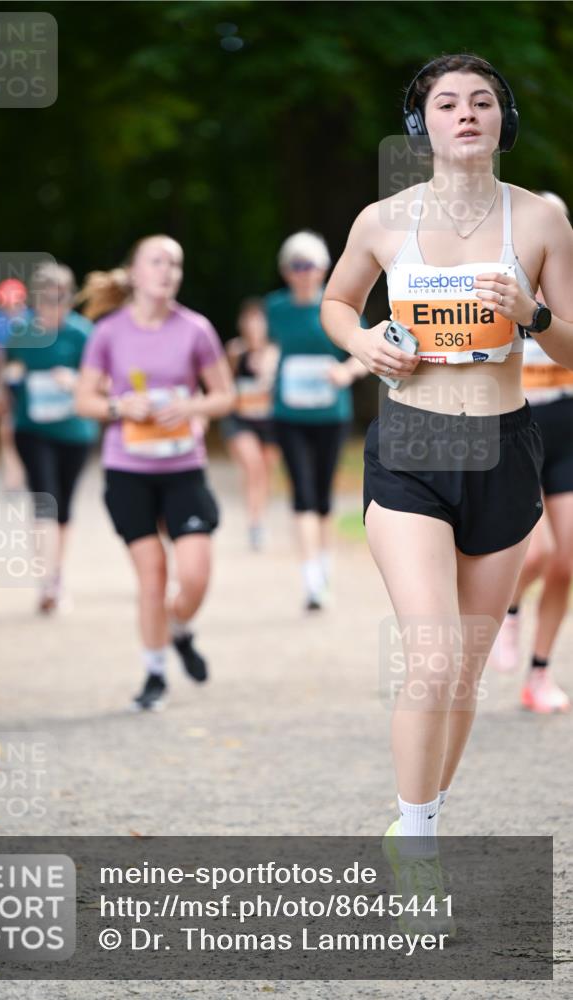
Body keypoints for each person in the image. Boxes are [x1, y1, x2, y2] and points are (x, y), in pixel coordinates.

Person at [320, 54, 572, 921]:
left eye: (481, 102)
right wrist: (363, 345)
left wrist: (531, 319)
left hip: (503, 449)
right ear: (419, 123)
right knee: (429, 654)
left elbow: (572, 346)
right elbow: (336, 304)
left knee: (462, 671)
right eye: (445, 103)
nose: (464, 114)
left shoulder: (538, 222)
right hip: (411, 441)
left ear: (502, 119)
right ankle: (417, 840)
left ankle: (416, 821)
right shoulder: (383, 220)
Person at [76, 235, 235, 711]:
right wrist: (119, 405)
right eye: (158, 262)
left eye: (176, 264)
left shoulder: (195, 329)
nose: (168, 271)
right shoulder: (108, 332)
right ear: (136, 272)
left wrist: (191, 404)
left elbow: (225, 396)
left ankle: (179, 627)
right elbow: (83, 401)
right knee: (152, 575)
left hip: (184, 469)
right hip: (128, 471)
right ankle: (154, 673)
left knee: (195, 574)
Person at [490, 191, 572, 713]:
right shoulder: (500, 288)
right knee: (537, 552)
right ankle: (508, 610)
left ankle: (538, 675)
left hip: (568, 431)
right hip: (519, 434)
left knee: (568, 560)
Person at [267, 231, 368, 610]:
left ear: (324, 268)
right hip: (288, 414)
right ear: (285, 270)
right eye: (295, 265)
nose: (303, 273)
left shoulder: (338, 306)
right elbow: (263, 347)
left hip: (330, 415)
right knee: (302, 493)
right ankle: (310, 579)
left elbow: (364, 352)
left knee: (323, 495)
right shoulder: (274, 308)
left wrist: (347, 372)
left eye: (309, 265)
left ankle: (324, 567)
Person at [0, 263, 98, 613]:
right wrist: (12, 378)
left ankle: (57, 575)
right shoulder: (20, 333)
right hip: (33, 430)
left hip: (74, 432)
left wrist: (74, 382)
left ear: (70, 299)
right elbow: (7, 375)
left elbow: (104, 382)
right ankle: (46, 582)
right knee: (45, 501)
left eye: (60, 299)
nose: (53, 307)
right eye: (46, 299)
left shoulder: (84, 334)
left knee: (64, 508)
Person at [221, 298, 279, 550]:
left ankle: (260, 520)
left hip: (271, 423)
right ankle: (254, 523)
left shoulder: (276, 351)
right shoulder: (235, 351)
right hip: (241, 420)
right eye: (249, 321)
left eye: (259, 321)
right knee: (253, 466)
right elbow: (223, 384)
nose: (254, 327)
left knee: (265, 473)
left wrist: (269, 374)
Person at [0, 278, 31, 491]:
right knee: (5, 430)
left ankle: (27, 471)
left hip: (28, 382)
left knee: (28, 430)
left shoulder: (33, 320)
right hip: (5, 379)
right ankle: (11, 476)